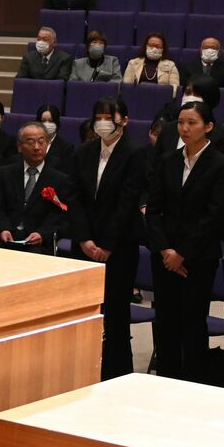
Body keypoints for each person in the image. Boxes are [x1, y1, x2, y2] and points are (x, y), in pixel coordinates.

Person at [145, 101, 224, 383]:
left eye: (192, 123)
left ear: (208, 127)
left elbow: (213, 216)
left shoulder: (221, 165)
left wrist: (181, 253)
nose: (184, 128)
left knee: (193, 325)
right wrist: (165, 250)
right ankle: (165, 380)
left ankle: (193, 384)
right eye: (181, 122)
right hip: (164, 257)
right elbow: (154, 209)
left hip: (198, 259)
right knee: (166, 324)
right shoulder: (167, 160)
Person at [69, 97, 147, 379]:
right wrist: (83, 239)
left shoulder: (135, 153)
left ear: (123, 120)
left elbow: (127, 203)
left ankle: (116, 374)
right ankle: (82, 370)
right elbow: (75, 198)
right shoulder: (84, 152)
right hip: (85, 246)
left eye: (108, 116)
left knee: (115, 316)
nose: (102, 122)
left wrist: (107, 245)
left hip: (119, 248)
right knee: (83, 313)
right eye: (98, 116)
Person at [0, 122, 75, 256]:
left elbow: (59, 215)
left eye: (41, 142)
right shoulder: (4, 173)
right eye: (30, 142)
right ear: (20, 146)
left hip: (38, 241)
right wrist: (3, 229)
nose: (36, 147)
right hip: (5, 237)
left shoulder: (60, 179)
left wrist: (42, 234)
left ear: (47, 144)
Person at [152, 75, 224, 161]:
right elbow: (157, 163)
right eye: (188, 93)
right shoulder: (167, 129)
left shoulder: (221, 134)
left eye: (197, 94)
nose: (191, 98)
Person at [36, 103, 74, 169]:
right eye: (43, 121)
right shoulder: (31, 142)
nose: (47, 124)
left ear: (57, 123)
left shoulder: (66, 147)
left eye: (51, 121)